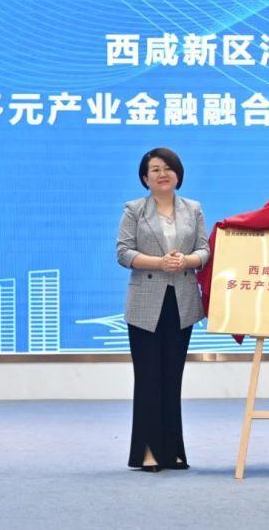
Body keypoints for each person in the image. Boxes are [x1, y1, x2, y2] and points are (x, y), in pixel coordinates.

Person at [116, 147, 209, 472]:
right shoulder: (134, 210)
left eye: (168, 168)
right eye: (155, 169)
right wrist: (159, 262)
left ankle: (173, 450)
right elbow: (123, 252)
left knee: (172, 376)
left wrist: (187, 260)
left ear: (178, 175)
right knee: (148, 378)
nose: (162, 174)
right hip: (145, 303)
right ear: (145, 178)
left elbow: (205, 250)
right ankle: (148, 452)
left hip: (181, 302)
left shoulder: (193, 209)